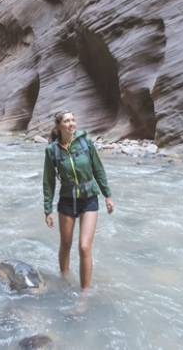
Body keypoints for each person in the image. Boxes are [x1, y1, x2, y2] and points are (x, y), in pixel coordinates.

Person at [42, 110, 115, 292]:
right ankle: (65, 279)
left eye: (73, 120)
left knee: (84, 247)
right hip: (67, 200)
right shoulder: (52, 151)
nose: (72, 123)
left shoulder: (85, 143)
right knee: (65, 244)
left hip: (89, 198)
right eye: (67, 121)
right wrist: (47, 209)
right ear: (59, 126)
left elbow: (98, 169)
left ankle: (84, 294)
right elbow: (48, 180)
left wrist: (107, 195)